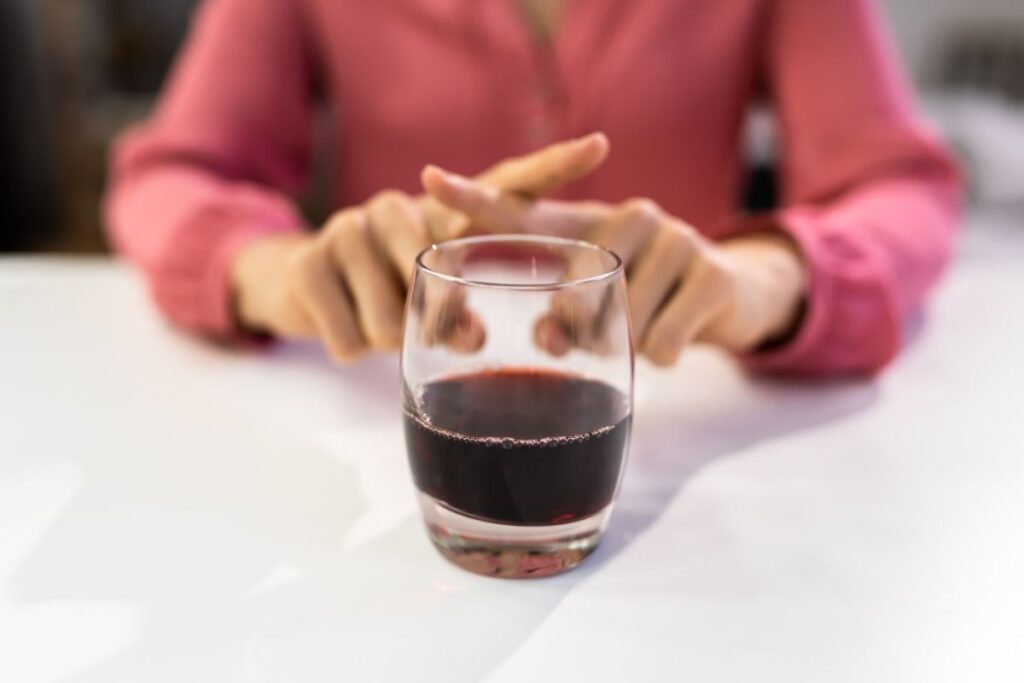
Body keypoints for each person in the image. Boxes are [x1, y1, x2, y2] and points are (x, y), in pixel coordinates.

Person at [105, 0, 960, 375]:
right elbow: (171, 173)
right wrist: (281, 273)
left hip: (677, 424)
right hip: (381, 417)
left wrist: (762, 283)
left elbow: (901, 187)